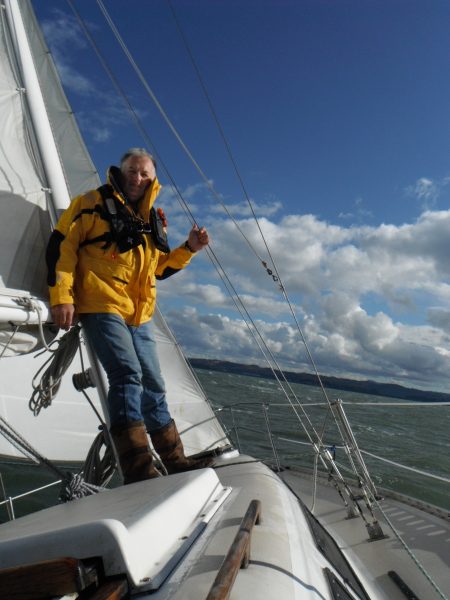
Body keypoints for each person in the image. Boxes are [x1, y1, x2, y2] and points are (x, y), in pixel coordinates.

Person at [46, 148, 212, 484]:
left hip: (139, 314)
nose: (138, 179)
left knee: (153, 383)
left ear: (153, 179)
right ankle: (138, 469)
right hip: (101, 303)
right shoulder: (90, 203)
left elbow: (157, 270)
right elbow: (60, 248)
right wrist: (61, 296)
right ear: (121, 173)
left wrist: (189, 249)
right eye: (132, 172)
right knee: (126, 373)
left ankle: (174, 459)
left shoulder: (152, 220)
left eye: (144, 174)